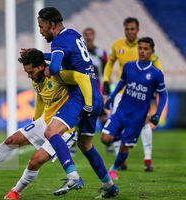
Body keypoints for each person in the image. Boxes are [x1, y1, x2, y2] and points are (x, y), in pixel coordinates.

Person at [0, 49, 78, 199]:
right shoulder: (36, 81)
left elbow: (78, 75)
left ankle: (16, 192)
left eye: (31, 71)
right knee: (11, 140)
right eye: (27, 72)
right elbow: (41, 97)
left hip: (64, 129)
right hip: (44, 122)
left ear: (42, 66)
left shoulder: (58, 76)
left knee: (34, 161)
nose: (29, 75)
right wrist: (36, 118)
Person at [37, 7, 118, 198]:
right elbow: (63, 57)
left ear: (52, 24)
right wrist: (40, 56)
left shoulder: (59, 41)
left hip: (80, 96)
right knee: (86, 145)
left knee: (51, 131)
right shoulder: (73, 34)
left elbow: (56, 66)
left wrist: (47, 68)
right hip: (94, 95)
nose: (40, 31)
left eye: (41, 27)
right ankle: (109, 186)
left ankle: (72, 176)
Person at [101, 37, 167, 180]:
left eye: (146, 49)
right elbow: (121, 82)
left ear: (152, 51)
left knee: (125, 147)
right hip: (121, 111)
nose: (142, 51)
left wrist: (158, 114)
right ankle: (120, 136)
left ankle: (113, 170)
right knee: (105, 138)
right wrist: (111, 97)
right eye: (140, 48)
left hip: (137, 118)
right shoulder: (129, 66)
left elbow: (162, 95)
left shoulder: (156, 74)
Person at [82, 27, 114, 155]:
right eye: (86, 34)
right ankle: (72, 146)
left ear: (94, 36)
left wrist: (108, 81)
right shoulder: (79, 51)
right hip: (81, 91)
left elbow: (106, 69)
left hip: (97, 91)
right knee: (77, 118)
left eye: (90, 35)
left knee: (102, 117)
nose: (88, 37)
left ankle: (108, 145)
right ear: (83, 36)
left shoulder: (101, 52)